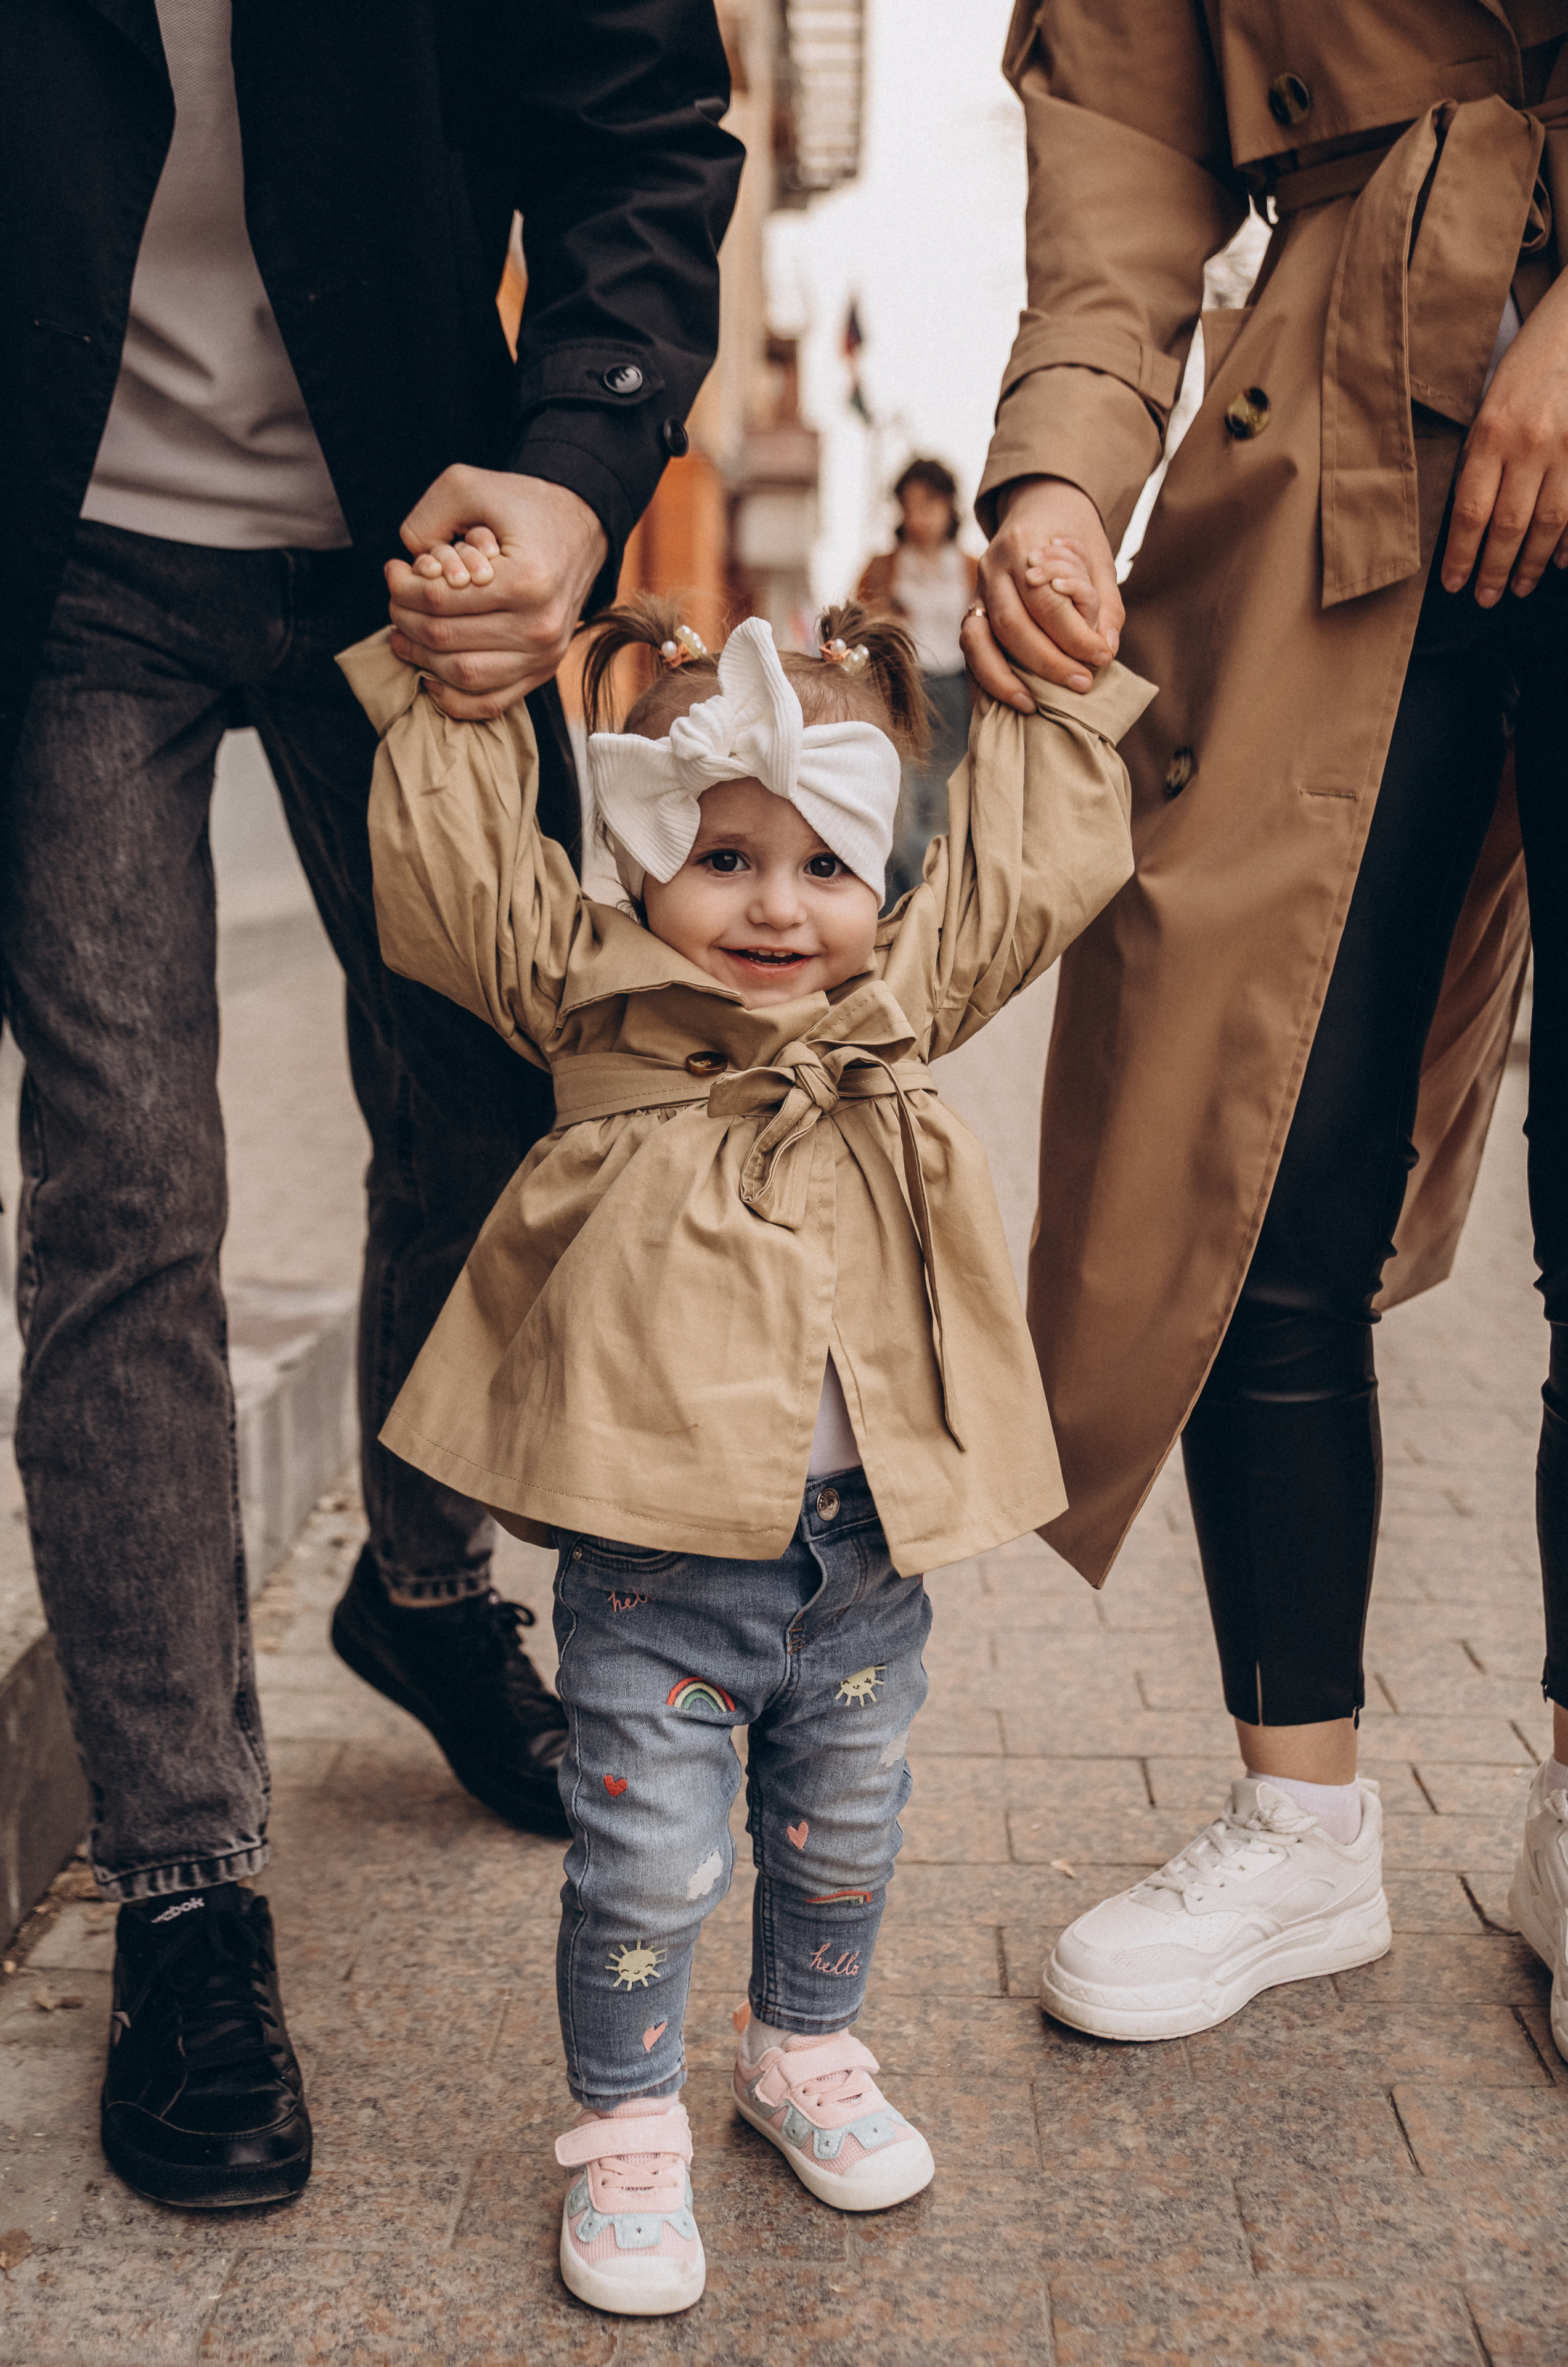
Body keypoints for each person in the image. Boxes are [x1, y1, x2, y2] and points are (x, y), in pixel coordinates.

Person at [0, 0, 742, 2207]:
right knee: (123, 1191)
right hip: (60, 568)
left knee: (500, 1122)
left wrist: (572, 465)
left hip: (415, 539)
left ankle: (418, 1588)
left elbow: (643, 132)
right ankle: (188, 1890)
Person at [341, 548, 1149, 2312]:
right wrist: (472, 690)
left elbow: (1030, 873)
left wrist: (1054, 692)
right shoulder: (593, 998)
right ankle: (625, 2130)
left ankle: (804, 2052)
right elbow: (452, 879)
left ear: (881, 877)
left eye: (820, 866)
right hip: (655, 1570)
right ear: (643, 860)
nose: (777, 909)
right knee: (648, 1852)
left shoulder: (897, 1011)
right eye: (723, 859)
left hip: (861, 1571)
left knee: (847, 1825)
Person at [963, 1, 1568, 2047]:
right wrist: (1057, 476)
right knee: (1250, 1126)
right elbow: (1127, 143)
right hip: (1335, 414)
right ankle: (1300, 1823)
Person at [858, 460, 978, 904]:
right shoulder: (882, 569)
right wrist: (884, 617)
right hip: (899, 691)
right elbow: (853, 630)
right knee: (899, 806)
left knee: (947, 806)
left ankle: (937, 911)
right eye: (909, 506)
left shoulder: (971, 569)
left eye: (929, 504)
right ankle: (897, 910)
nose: (919, 516)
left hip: (955, 693)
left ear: (949, 506)